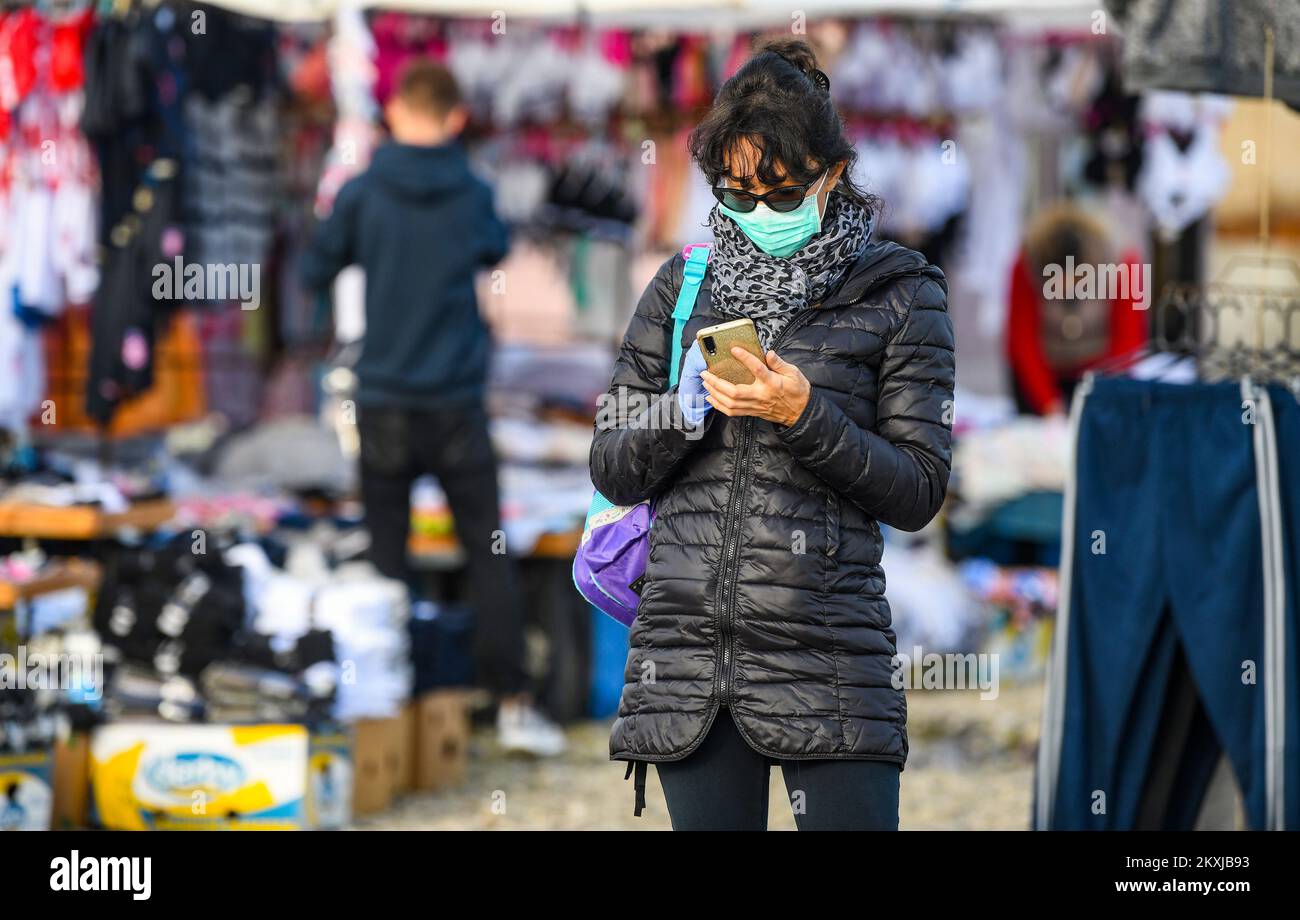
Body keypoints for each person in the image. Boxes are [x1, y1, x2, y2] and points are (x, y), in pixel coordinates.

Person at [589, 40, 955, 830]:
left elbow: (920, 486)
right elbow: (613, 465)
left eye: (782, 194)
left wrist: (804, 416)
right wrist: (680, 414)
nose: (758, 213)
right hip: (686, 665)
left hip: (830, 659)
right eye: (734, 194)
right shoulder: (684, 282)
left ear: (831, 172)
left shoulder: (901, 293)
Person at [302, 60, 564, 757]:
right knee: (488, 552)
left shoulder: (360, 192)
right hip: (455, 400)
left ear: (391, 114)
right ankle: (511, 702)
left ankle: (400, 704)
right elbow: (494, 248)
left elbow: (312, 270)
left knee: (388, 557)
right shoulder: (472, 192)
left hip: (383, 395)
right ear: (453, 119)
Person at [1006, 203, 1148, 415]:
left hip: (1102, 373)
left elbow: (1129, 342)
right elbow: (1022, 340)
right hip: (1044, 374)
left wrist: (1101, 401)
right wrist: (1049, 405)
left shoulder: (1127, 263)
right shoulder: (1026, 263)